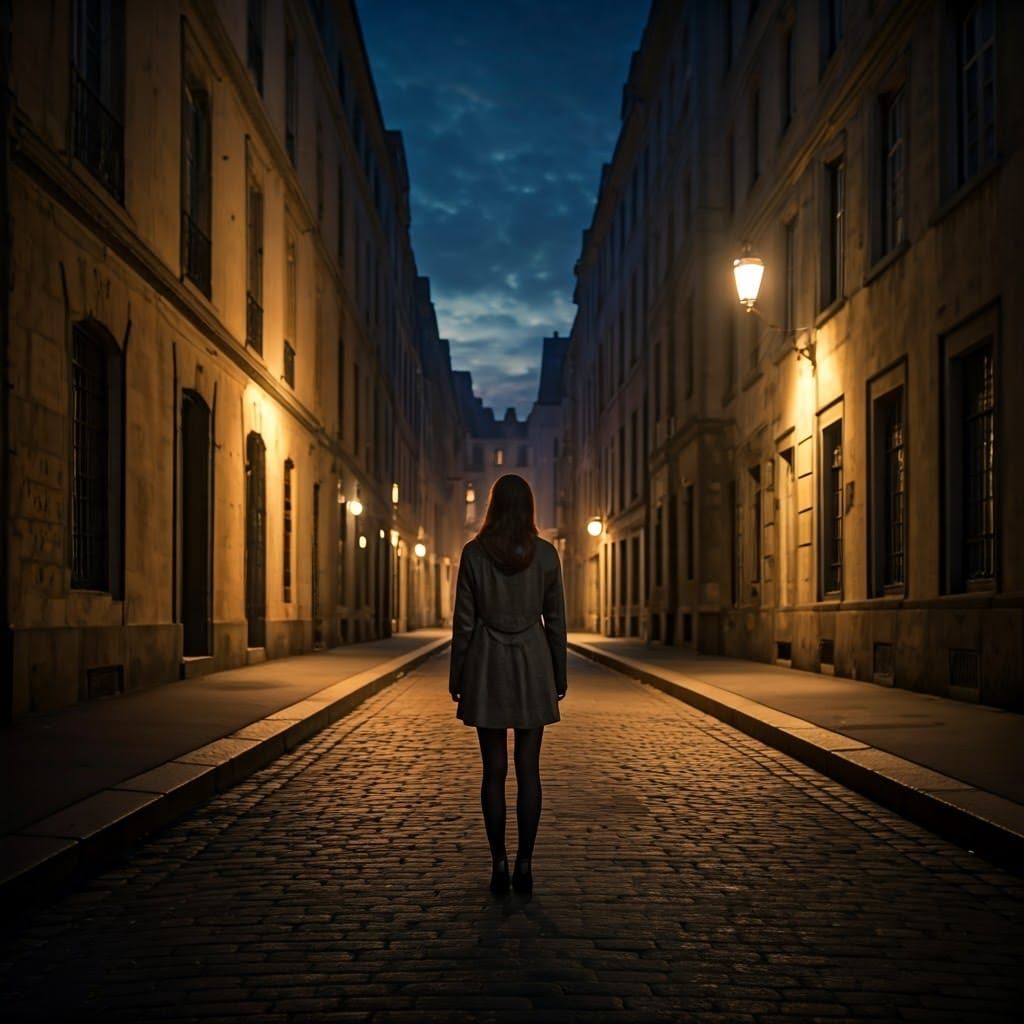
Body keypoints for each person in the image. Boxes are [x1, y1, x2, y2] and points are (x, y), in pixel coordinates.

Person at [449, 474, 567, 895]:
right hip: (533, 663)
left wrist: (458, 674)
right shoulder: (547, 556)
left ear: (493, 506)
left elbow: (463, 623)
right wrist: (559, 674)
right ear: (530, 508)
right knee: (529, 770)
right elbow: (555, 623)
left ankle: (498, 862)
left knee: (493, 771)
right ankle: (526, 863)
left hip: (487, 664)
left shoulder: (473, 554)